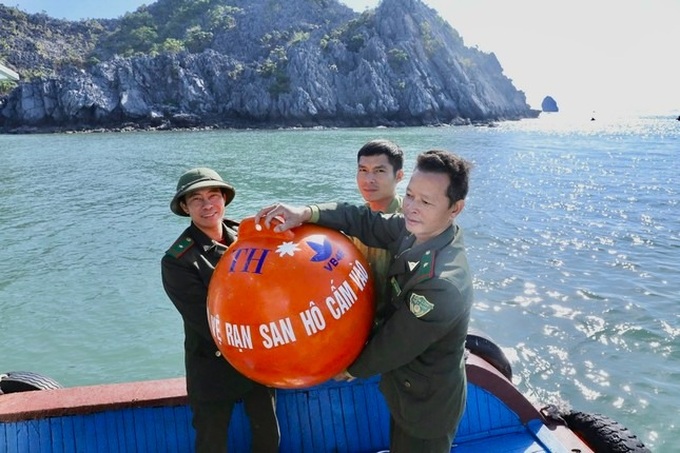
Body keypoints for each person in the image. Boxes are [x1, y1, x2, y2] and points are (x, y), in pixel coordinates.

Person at [255, 150, 474, 453]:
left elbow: (394, 344)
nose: (411, 207)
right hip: (406, 391)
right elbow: (361, 219)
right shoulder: (416, 231)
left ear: (455, 208)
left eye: (426, 202)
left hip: (427, 404)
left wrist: (347, 367)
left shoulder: (441, 284)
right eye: (409, 195)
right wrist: (306, 213)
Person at [161, 167, 279, 453]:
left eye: (213, 195)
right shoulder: (178, 260)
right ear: (185, 207)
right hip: (213, 366)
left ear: (224, 199)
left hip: (258, 362)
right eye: (196, 199)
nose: (207, 205)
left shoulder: (247, 236)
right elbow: (209, 322)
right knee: (211, 443)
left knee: (269, 438)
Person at [352, 139, 405, 330]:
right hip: (359, 322)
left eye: (379, 171)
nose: (369, 180)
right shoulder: (354, 223)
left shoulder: (410, 222)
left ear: (399, 176)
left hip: (394, 329)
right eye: (363, 170)